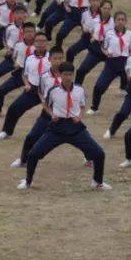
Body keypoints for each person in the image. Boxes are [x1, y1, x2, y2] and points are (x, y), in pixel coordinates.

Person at [18, 61, 110, 190]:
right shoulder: (53, 91)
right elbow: (46, 104)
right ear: (60, 75)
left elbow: (82, 106)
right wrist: (51, 114)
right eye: (65, 74)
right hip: (57, 127)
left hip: (74, 127)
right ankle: (28, 182)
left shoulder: (79, 89)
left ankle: (97, 182)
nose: (68, 77)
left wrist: (79, 116)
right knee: (33, 154)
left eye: (70, 74)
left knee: (99, 153)